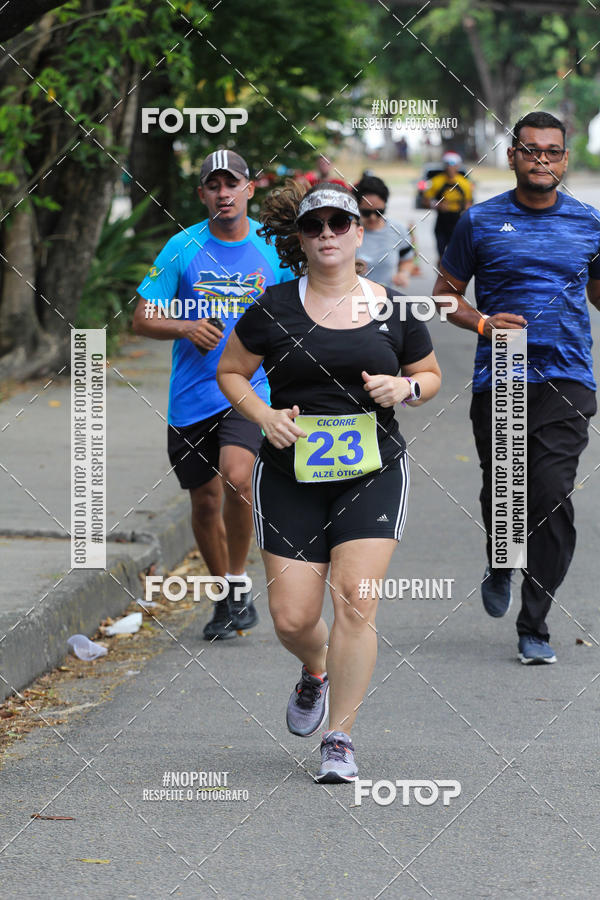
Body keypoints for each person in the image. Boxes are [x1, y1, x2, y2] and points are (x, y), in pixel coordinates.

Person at [217, 181, 441, 781]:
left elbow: (428, 374)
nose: (327, 235)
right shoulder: (273, 307)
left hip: (372, 470)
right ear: (302, 238)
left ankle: (339, 737)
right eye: (314, 226)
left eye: (339, 224)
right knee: (292, 618)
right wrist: (264, 416)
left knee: (355, 602)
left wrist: (405, 388)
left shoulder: (394, 307)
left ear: (358, 232)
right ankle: (316, 670)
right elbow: (231, 371)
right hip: (289, 472)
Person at [432, 111, 600, 665]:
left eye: (552, 151)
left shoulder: (590, 223)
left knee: (551, 494)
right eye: (531, 150)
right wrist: (482, 323)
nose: (541, 160)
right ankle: (501, 558)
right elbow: (443, 297)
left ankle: (535, 624)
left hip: (567, 376)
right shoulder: (479, 221)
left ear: (565, 159)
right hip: (501, 372)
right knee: (503, 491)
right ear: (512, 156)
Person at [132, 149, 291, 641]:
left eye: (232, 184)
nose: (224, 193)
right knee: (203, 502)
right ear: (202, 193)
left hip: (249, 387)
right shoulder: (181, 248)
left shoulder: (272, 247)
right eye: (214, 185)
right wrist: (185, 327)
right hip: (192, 395)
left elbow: (304, 302)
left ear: (249, 189)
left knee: (238, 479)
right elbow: (142, 318)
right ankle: (226, 593)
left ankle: (238, 579)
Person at [355, 174, 414, 291]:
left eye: (379, 212)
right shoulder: (346, 231)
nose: (372, 217)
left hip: (386, 297)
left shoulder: (398, 230)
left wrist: (403, 273)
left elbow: (407, 259)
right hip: (353, 297)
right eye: (366, 212)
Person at [423, 151, 473, 263]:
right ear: (444, 166)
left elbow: (469, 203)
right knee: (441, 255)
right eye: (448, 165)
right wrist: (437, 205)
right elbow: (425, 201)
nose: (451, 168)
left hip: (457, 221)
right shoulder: (436, 181)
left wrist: (465, 210)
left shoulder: (464, 183)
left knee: (457, 256)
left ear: (458, 166)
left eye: (453, 165)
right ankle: (440, 272)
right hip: (441, 222)